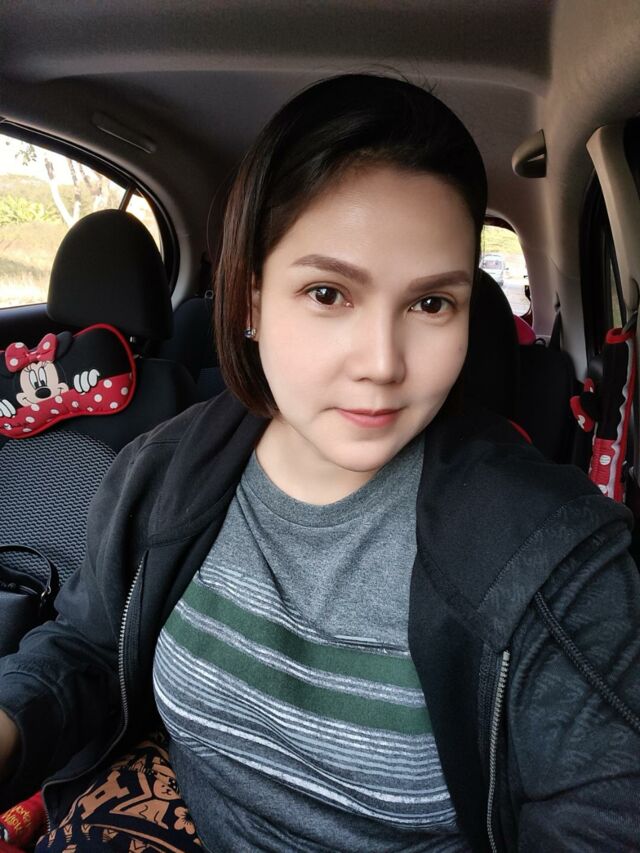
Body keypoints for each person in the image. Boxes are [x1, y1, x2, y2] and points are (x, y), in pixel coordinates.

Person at [0, 73, 639, 852]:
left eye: (431, 303)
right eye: (329, 293)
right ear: (250, 300)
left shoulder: (556, 562)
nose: (382, 363)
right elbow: (90, 644)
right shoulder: (162, 472)